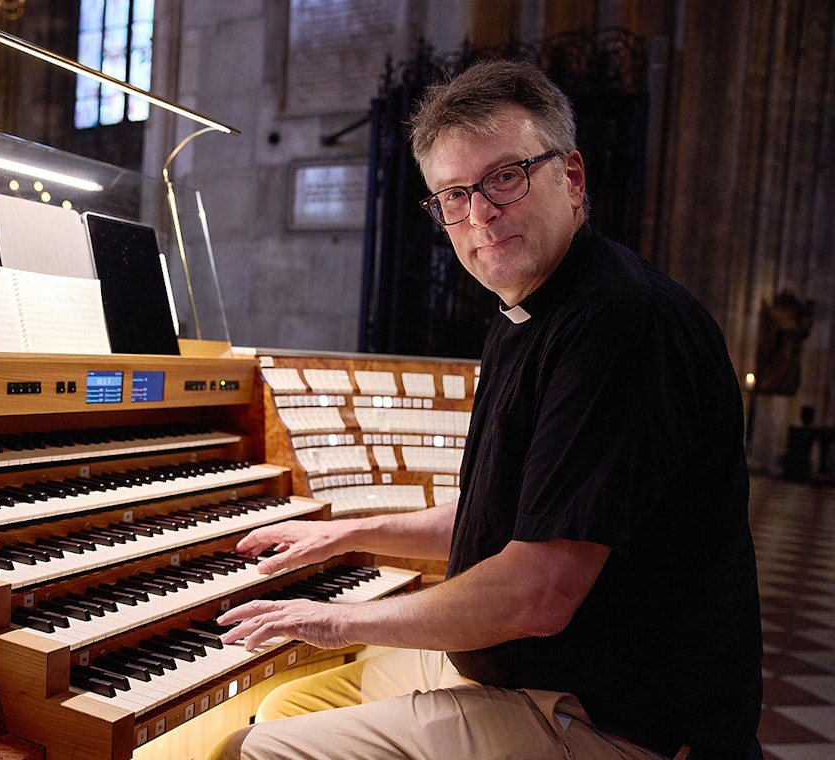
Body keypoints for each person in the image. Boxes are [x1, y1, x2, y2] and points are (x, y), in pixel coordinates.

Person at [209, 59, 762, 760]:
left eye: (505, 176)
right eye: (453, 195)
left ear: (572, 177)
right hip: (537, 673)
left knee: (246, 753)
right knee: (297, 696)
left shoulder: (619, 321)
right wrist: (345, 534)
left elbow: (538, 592)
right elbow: (497, 520)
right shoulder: (526, 313)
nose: (480, 214)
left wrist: (339, 619)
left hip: (617, 721)